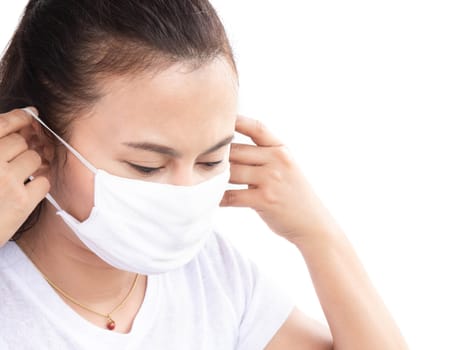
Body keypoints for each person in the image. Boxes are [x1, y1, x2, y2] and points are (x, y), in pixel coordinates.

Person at [0, 1, 407, 349]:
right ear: (38, 142)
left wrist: (319, 237)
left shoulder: (214, 275)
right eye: (147, 166)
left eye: (212, 161)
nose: (184, 192)